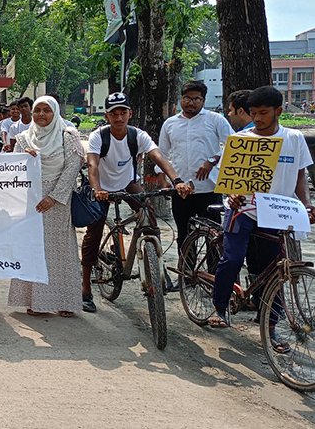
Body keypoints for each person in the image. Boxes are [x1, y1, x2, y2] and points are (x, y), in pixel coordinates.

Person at [209, 86, 314, 335]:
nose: (257, 118)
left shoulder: (294, 138)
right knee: (232, 258)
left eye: (263, 113)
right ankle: (219, 308)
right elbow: (228, 178)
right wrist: (231, 194)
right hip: (243, 209)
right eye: (253, 113)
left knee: (274, 269)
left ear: (278, 111)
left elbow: (300, 176)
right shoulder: (240, 141)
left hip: (277, 212)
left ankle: (270, 327)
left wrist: (307, 205)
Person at [82, 92, 192, 313]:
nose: (119, 117)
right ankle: (85, 287)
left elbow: (159, 156)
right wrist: (97, 190)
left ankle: (157, 267)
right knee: (94, 231)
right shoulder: (98, 136)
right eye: (114, 113)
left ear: (130, 114)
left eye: (123, 112)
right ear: (107, 115)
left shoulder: (137, 136)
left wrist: (177, 181)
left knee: (148, 214)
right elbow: (92, 165)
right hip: (102, 187)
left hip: (128, 183)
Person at [8, 96, 84, 317]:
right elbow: (13, 169)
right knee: (32, 249)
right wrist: (25, 158)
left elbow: (72, 167)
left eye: (46, 110)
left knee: (60, 251)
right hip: (31, 203)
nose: (41, 115)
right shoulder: (23, 139)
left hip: (57, 204)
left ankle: (64, 302)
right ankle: (34, 301)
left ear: (55, 113)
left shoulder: (67, 136)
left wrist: (54, 197)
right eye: (37, 110)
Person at [157, 81, 233, 287]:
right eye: (187, 98)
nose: (191, 103)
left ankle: (214, 277)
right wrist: (163, 178)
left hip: (209, 188)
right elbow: (162, 153)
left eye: (196, 99)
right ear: (181, 98)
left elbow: (232, 145)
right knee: (184, 233)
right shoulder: (170, 124)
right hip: (180, 189)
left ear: (203, 100)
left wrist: (213, 160)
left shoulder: (215, 120)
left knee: (213, 235)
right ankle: (187, 275)